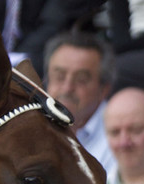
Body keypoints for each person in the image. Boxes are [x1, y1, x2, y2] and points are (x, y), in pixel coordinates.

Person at [44, 31, 117, 172]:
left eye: (81, 80)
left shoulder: (121, 134)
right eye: (59, 76)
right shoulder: (28, 124)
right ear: (46, 81)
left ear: (104, 89)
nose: (67, 88)